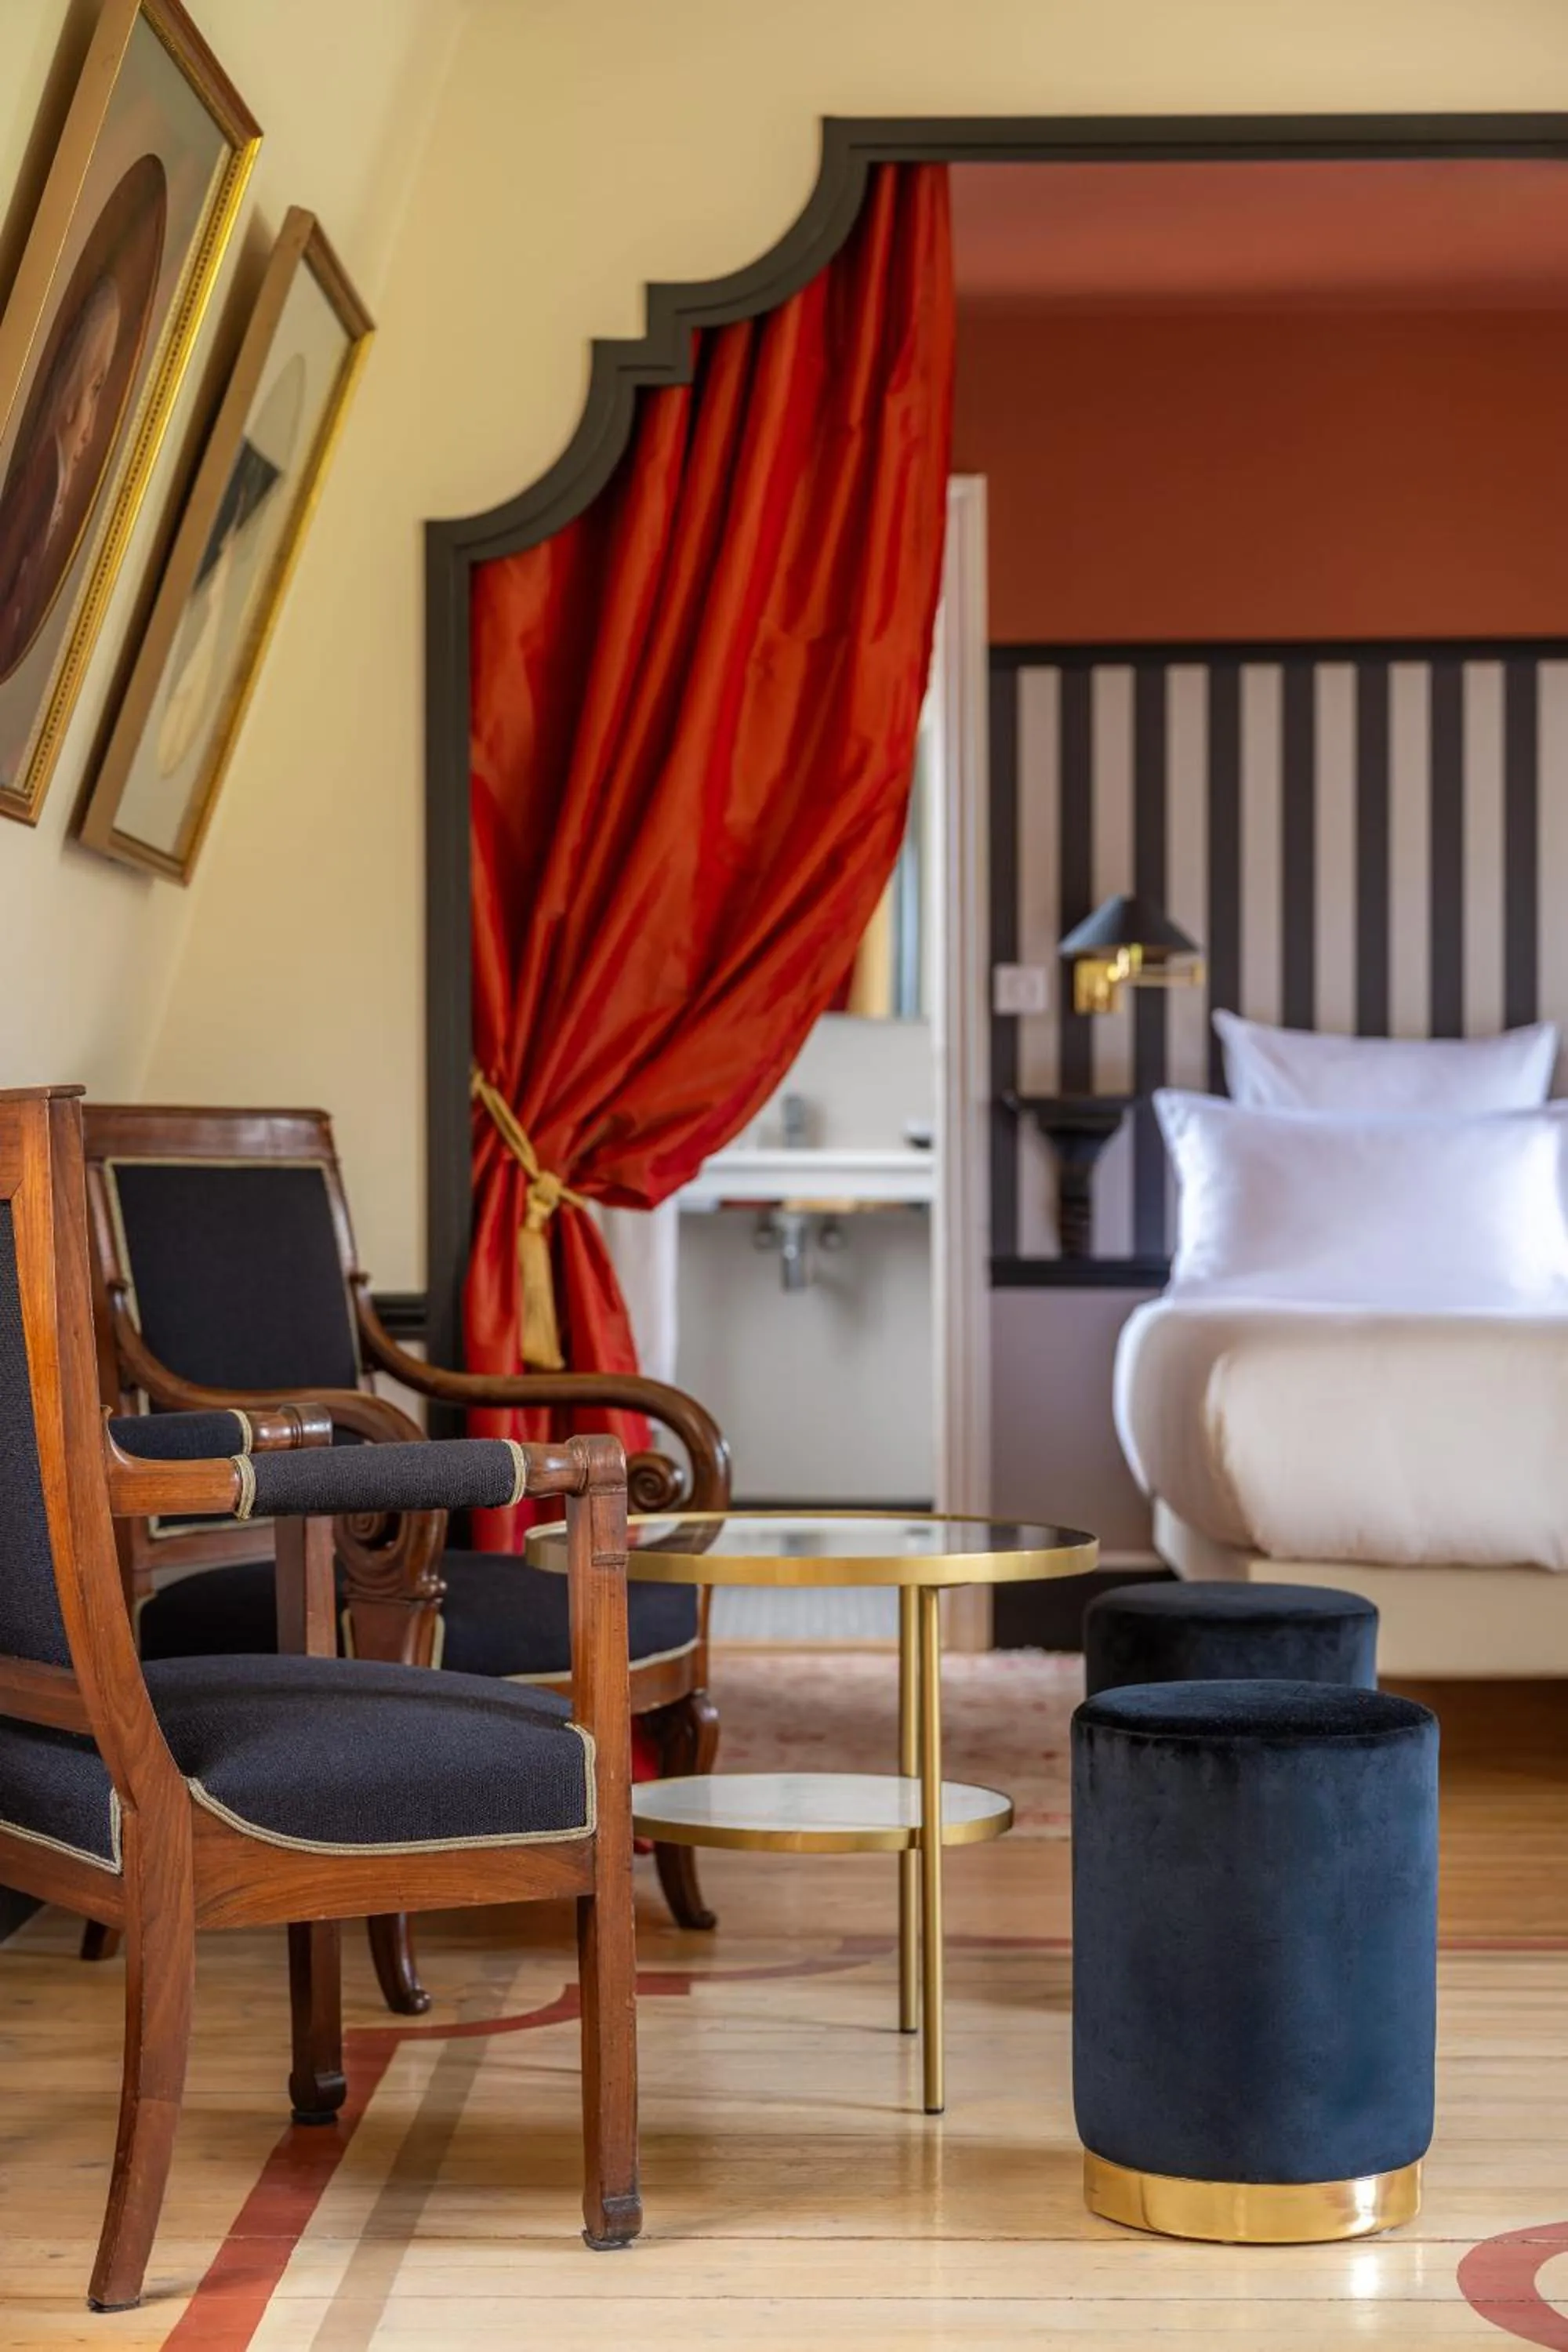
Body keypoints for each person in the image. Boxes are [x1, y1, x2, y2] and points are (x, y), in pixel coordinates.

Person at [0, 273, 122, 679]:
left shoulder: (49, 478)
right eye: (95, 386)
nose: (91, 427)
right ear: (71, 392)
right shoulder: (39, 480)